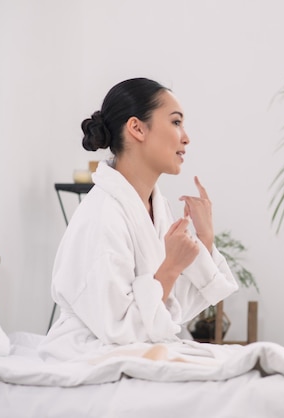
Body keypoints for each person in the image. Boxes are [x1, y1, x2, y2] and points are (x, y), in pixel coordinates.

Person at [39, 78, 238, 361]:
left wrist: (204, 241)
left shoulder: (156, 208)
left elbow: (169, 312)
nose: (186, 137)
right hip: (90, 353)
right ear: (137, 128)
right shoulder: (103, 214)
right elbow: (117, 328)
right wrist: (169, 268)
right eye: (176, 122)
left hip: (137, 347)